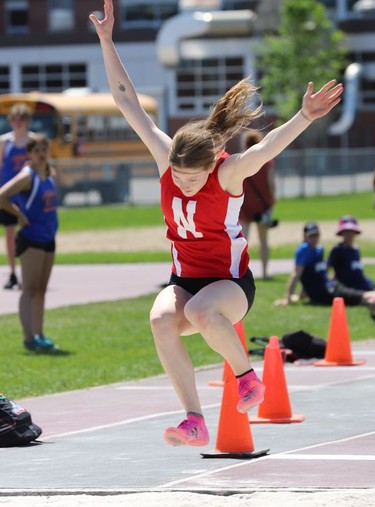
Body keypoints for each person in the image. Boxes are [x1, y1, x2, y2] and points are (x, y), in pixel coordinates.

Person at [90, 0, 343, 448]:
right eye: (178, 177)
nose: (184, 186)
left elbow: (266, 150)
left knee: (200, 312)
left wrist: (304, 116)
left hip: (229, 285)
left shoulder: (227, 173)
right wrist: (108, 41)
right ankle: (194, 419)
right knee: (160, 320)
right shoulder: (167, 159)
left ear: (211, 167)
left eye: (192, 178)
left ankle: (247, 378)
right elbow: (127, 101)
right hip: (184, 280)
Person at [0, 134, 59, 351]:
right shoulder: (27, 176)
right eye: (37, 150)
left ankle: (40, 334)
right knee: (29, 288)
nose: (42, 153)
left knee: (41, 289)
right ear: (30, 154)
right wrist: (19, 215)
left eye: (45, 149)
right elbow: (2, 196)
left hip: (48, 237)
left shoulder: (50, 173)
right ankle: (28, 337)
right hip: (31, 237)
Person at [275, 222, 375, 318]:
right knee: (359, 296)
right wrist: (287, 299)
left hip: (331, 285)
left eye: (316, 235)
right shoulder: (304, 251)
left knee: (358, 295)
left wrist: (302, 295)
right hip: (325, 292)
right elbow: (297, 274)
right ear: (305, 237)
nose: (314, 239)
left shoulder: (319, 249)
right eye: (311, 236)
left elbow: (313, 274)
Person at [0, 104, 35, 290]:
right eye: (14, 119)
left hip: (28, 195)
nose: (17, 123)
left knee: (30, 235)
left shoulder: (33, 142)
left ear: (27, 121)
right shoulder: (5, 142)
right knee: (10, 235)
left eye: (21, 119)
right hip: (8, 196)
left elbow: (42, 166)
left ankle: (29, 273)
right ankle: (13, 273)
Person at [239, 130, 276, 279]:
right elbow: (271, 184)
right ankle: (265, 273)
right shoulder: (267, 161)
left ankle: (241, 273)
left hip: (244, 204)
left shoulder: (241, 160)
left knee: (242, 242)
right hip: (263, 205)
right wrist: (272, 201)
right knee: (264, 241)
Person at [327, 215, 375, 291]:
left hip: (363, 283)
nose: (349, 234)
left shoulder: (356, 249)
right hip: (352, 288)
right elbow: (328, 268)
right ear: (342, 233)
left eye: (351, 231)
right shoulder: (338, 249)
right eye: (346, 231)